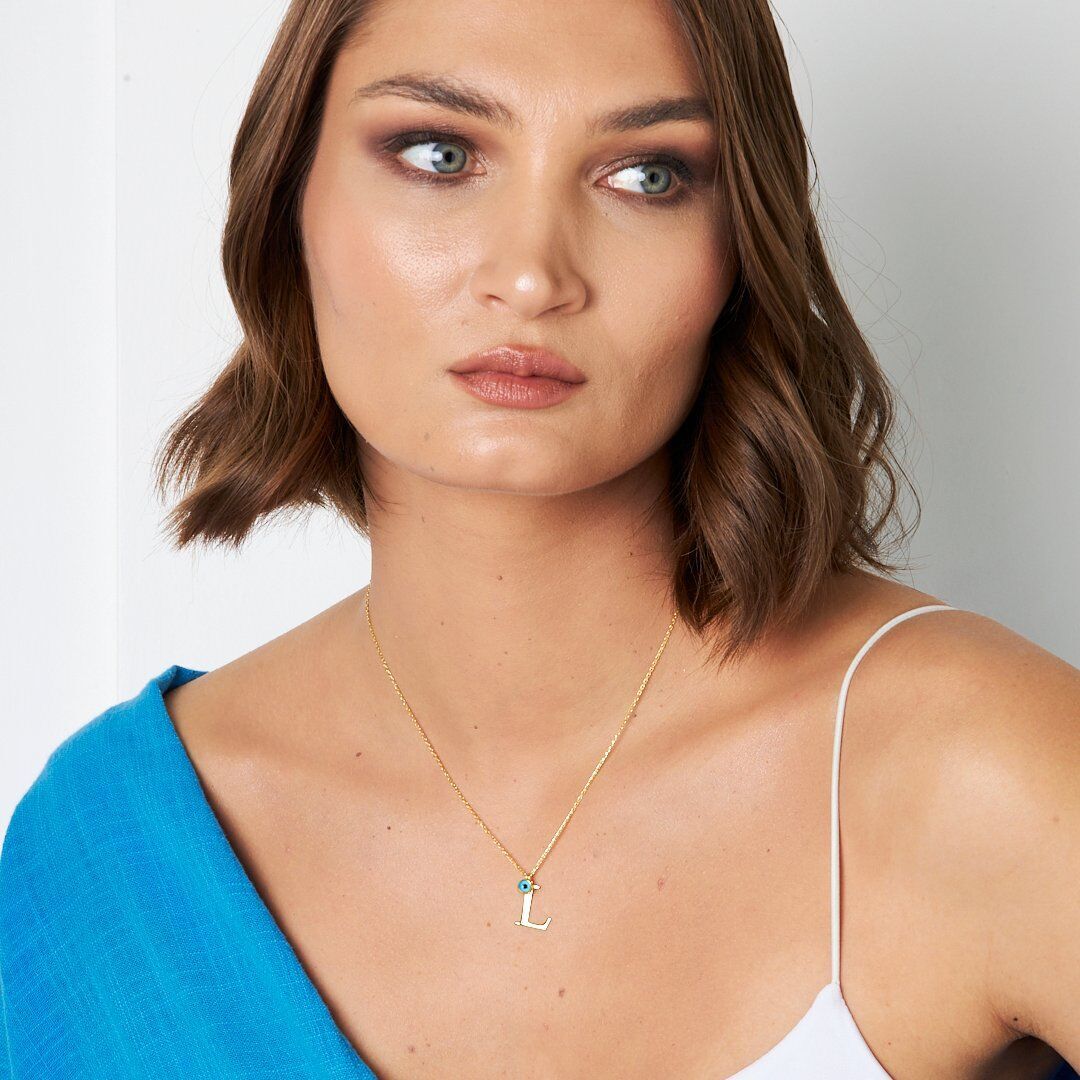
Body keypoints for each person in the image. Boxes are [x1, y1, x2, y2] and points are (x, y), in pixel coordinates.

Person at [1, 0, 1077, 1077]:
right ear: (290, 199)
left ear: (739, 253)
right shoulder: (107, 855)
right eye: (439, 154)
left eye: (646, 176)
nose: (531, 275)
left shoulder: (980, 769)